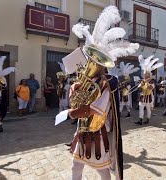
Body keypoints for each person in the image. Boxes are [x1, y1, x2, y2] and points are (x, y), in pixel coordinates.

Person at [57, 6, 139, 180]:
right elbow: (77, 103)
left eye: (94, 62)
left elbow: (97, 110)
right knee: (75, 166)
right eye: (90, 60)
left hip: (98, 133)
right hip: (83, 130)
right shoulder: (87, 83)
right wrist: (74, 90)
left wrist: (72, 113)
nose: (89, 64)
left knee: (102, 170)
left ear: (101, 65)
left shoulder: (106, 84)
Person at [134, 55, 163, 125]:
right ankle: (140, 119)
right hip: (142, 96)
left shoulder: (151, 81)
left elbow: (151, 88)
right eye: (145, 75)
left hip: (148, 97)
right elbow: (138, 87)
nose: (145, 76)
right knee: (141, 108)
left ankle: (147, 118)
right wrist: (141, 83)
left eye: (147, 75)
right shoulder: (143, 81)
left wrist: (146, 83)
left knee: (148, 109)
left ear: (149, 75)